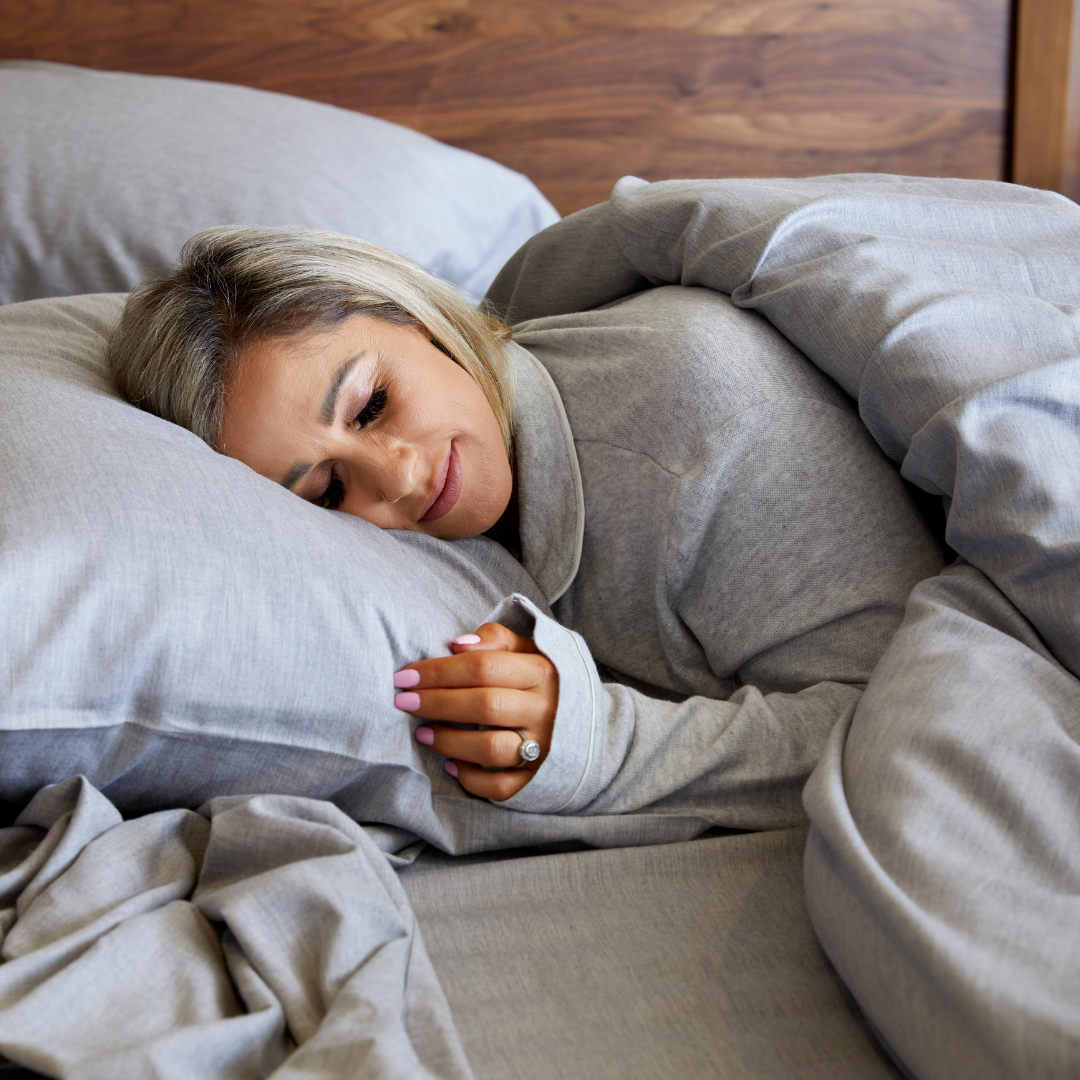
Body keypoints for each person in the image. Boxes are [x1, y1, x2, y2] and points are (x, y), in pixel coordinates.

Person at [107, 223, 943, 806]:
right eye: (327, 492)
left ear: (421, 321)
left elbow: (909, 742)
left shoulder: (709, 434)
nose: (395, 478)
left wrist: (594, 741)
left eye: (370, 405)